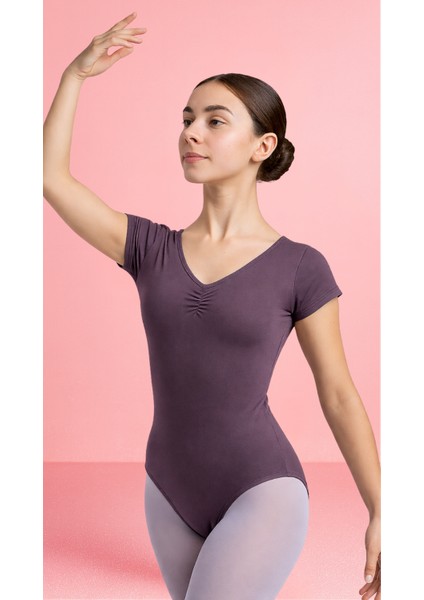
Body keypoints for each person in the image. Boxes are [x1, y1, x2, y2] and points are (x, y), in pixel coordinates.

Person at [43, 11, 381, 600]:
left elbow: (338, 394)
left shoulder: (300, 266)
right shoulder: (149, 248)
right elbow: (50, 178)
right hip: (166, 491)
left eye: (214, 121)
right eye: (187, 119)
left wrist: (383, 509)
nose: (191, 133)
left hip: (261, 487)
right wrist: (74, 75)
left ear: (262, 146)